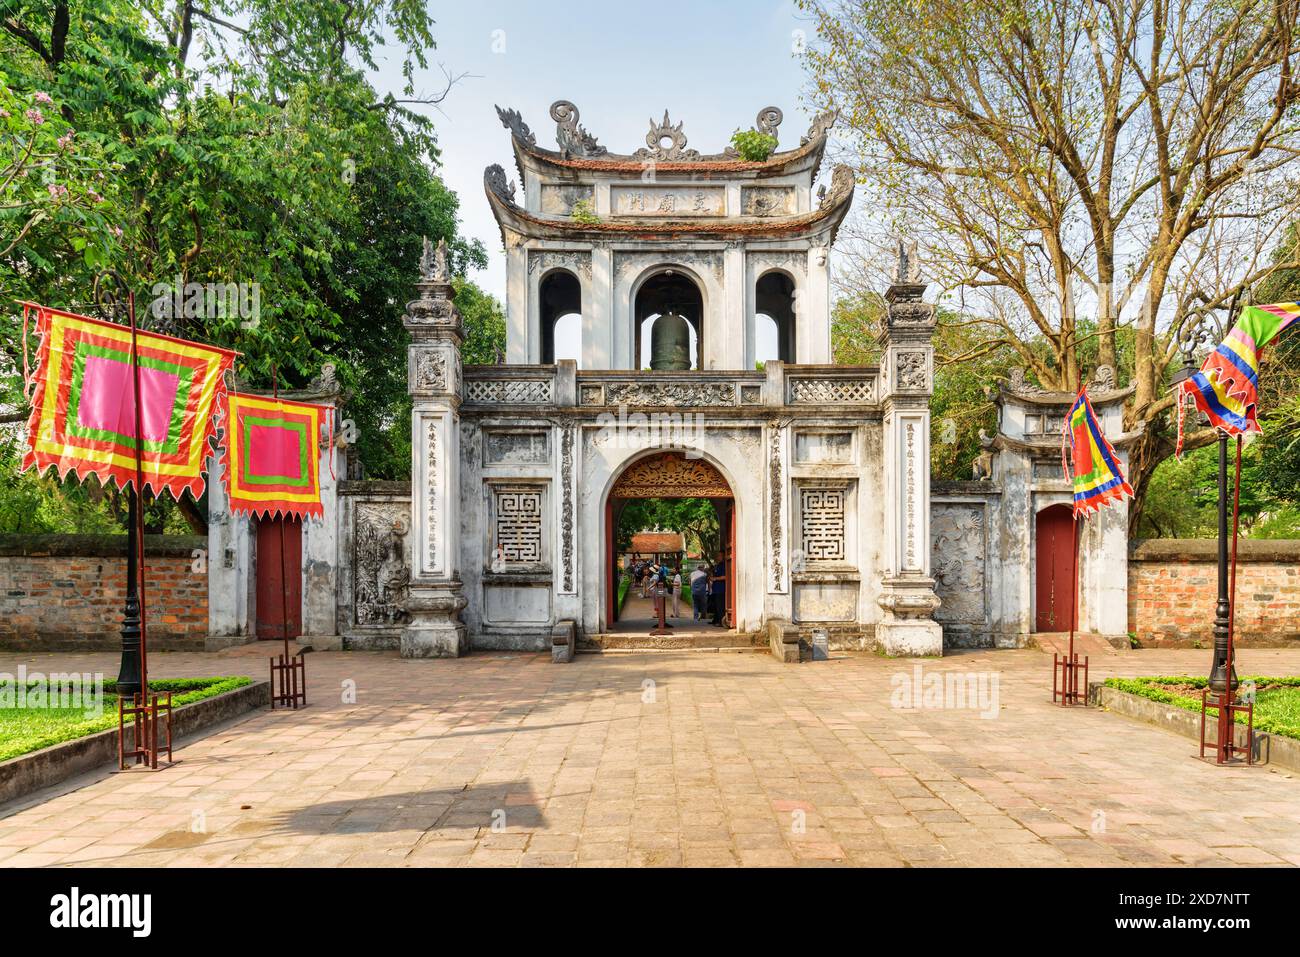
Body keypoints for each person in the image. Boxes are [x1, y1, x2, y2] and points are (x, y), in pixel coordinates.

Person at [709, 553, 727, 627]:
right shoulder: (717, 565)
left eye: (719, 556)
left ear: (723, 556)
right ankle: (716, 620)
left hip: (721, 589)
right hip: (715, 589)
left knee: (720, 606)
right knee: (716, 606)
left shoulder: (723, 566)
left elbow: (725, 576)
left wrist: (715, 578)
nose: (718, 557)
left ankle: (721, 622)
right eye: (717, 556)